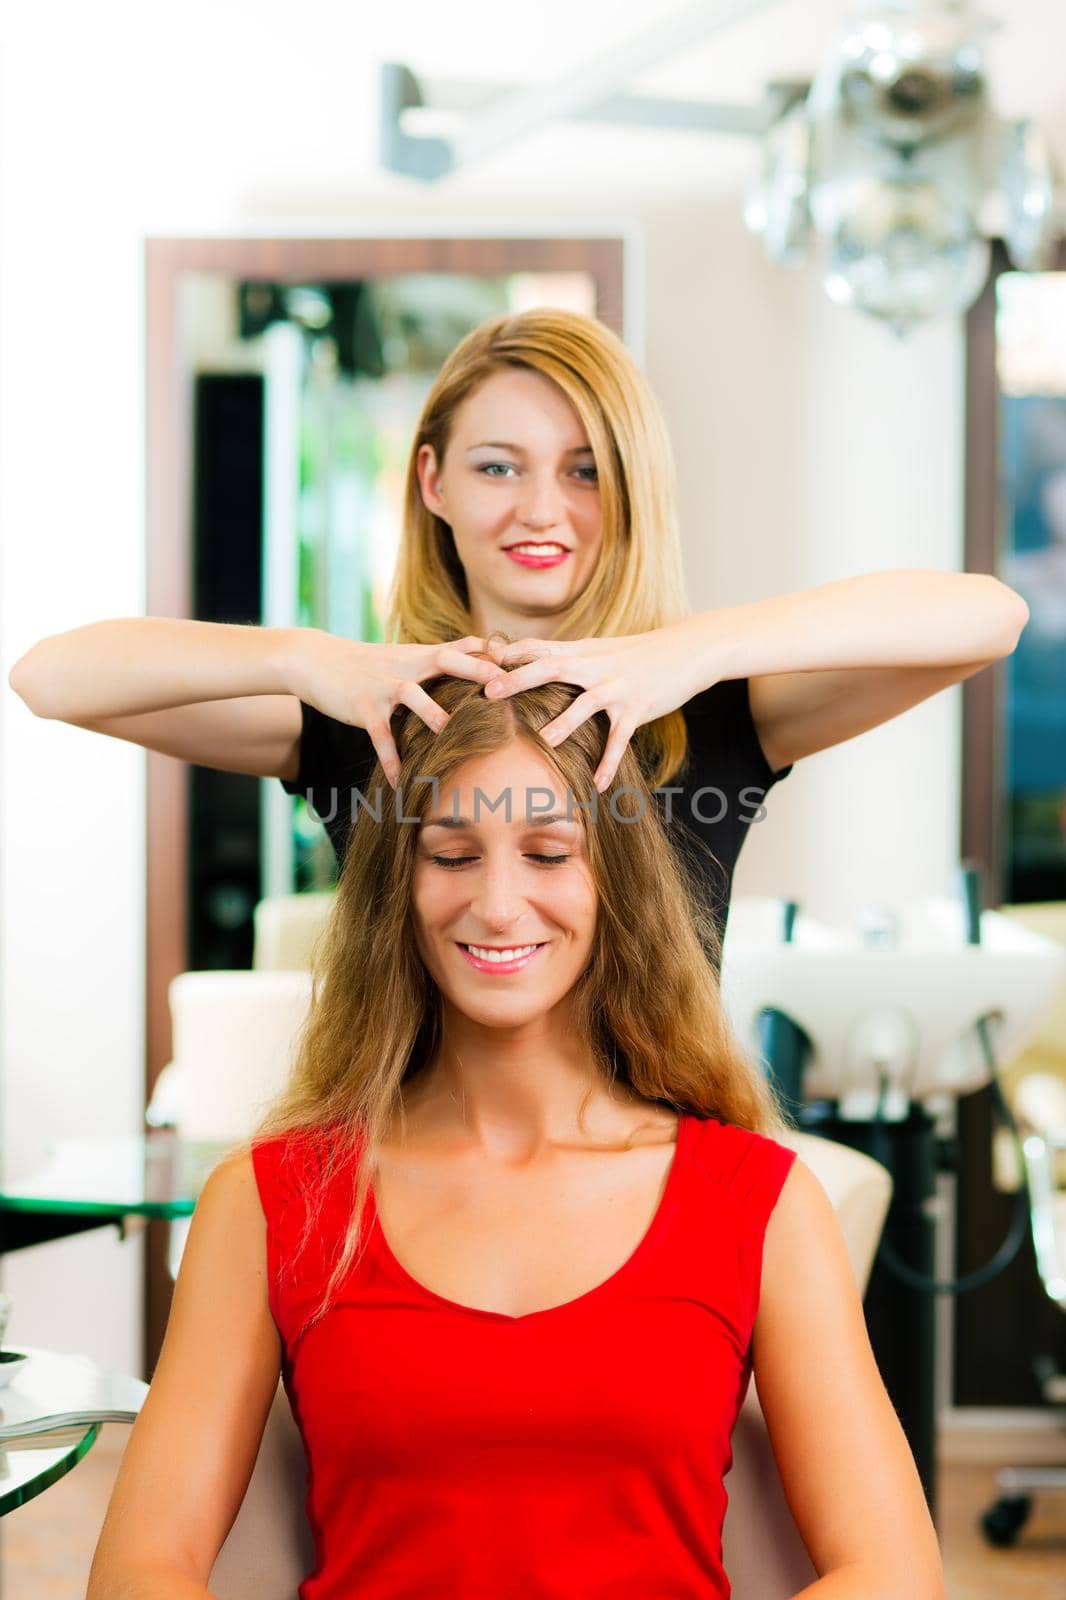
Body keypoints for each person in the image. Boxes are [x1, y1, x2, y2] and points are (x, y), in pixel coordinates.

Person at [86, 674, 947, 1599]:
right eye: (452, 855)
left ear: (614, 884)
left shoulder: (759, 1199)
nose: (498, 905)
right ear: (396, 893)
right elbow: (141, 1570)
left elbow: (890, 1572)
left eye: (548, 852)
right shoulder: (267, 1201)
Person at [7, 307, 1029, 964]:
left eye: (585, 470)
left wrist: (697, 648)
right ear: (431, 482)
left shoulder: (710, 714)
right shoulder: (364, 714)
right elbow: (53, 677)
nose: (543, 509)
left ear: (632, 489)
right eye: (499, 467)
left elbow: (987, 614)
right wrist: (302, 655)